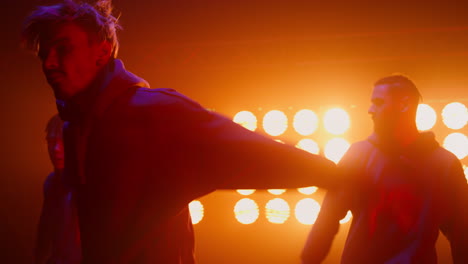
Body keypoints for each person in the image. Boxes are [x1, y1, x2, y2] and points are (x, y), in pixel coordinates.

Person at [22, 1, 341, 263]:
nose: (48, 63)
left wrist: (343, 175)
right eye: (43, 53)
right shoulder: (77, 129)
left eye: (62, 49)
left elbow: (250, 152)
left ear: (102, 53)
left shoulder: (152, 112)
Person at [301, 75, 468, 263]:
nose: (370, 110)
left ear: (404, 105)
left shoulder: (444, 165)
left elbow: (462, 236)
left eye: (378, 102)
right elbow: (327, 221)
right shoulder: (359, 156)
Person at [35, 114, 81, 264]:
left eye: (62, 141)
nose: (55, 149)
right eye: (51, 141)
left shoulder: (90, 185)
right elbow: (45, 230)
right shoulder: (52, 183)